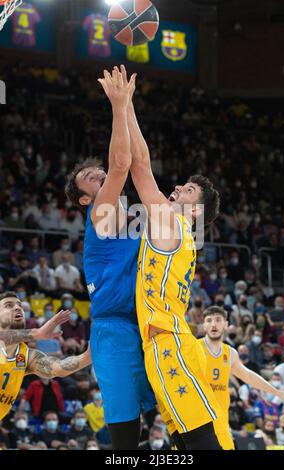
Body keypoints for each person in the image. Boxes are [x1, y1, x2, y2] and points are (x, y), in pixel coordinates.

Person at [123, 65, 222, 450]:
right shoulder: (181, 236)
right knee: (184, 441)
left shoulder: (170, 223)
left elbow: (140, 166)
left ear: (194, 211)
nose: (178, 187)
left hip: (167, 343)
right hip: (168, 341)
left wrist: (126, 105)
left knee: (198, 441)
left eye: (188, 191)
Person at [65, 67, 156, 450]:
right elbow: (120, 165)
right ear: (85, 198)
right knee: (124, 431)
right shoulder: (99, 213)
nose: (98, 173)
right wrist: (118, 106)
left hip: (147, 321)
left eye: (96, 170)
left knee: (164, 410)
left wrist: (130, 107)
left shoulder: (129, 216)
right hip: (113, 328)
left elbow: (137, 163)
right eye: (90, 177)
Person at [198, 306, 284, 450]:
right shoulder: (194, 348)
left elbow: (249, 376)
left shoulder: (230, 353)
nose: (214, 324)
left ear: (226, 324)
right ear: (204, 325)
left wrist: (277, 392)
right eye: (209, 320)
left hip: (220, 421)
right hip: (197, 420)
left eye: (218, 320)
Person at [0, 291, 91, 422]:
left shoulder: (26, 355)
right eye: (9, 305)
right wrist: (37, 333)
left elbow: (58, 368)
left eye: (19, 305)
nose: (17, 307)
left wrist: (88, 356)